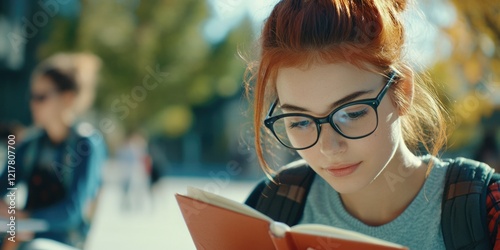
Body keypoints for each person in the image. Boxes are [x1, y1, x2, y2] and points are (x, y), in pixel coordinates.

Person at [243, 0, 500, 249]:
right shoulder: (270, 205)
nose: (329, 147)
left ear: (403, 90)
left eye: (352, 114)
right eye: (299, 121)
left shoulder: (486, 210)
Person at [0, 53, 106, 249]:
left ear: (67, 98)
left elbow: (73, 211)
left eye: (41, 97)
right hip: (23, 234)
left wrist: (24, 217)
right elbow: (4, 183)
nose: (33, 104)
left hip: (62, 241)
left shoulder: (86, 145)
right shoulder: (29, 145)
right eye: (32, 96)